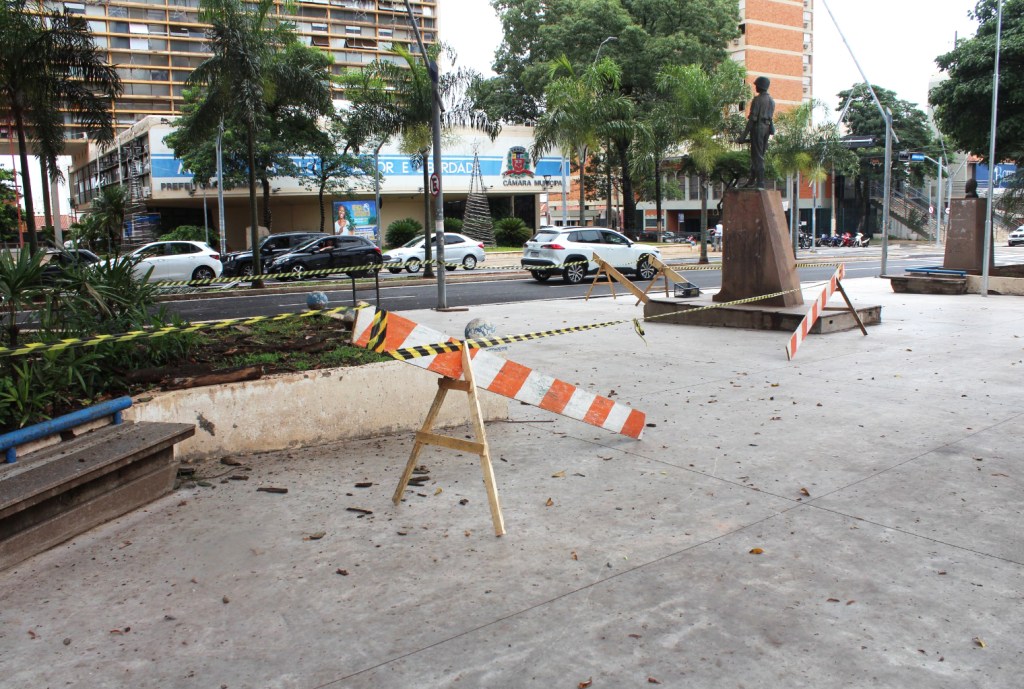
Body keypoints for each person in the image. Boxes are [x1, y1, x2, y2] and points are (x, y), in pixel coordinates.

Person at [737, 76, 775, 189]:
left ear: (761, 86)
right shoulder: (772, 101)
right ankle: (752, 180)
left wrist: (743, 136)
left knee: (757, 156)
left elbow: (752, 119)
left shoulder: (757, 100)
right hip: (767, 129)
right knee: (759, 155)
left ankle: (760, 183)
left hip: (758, 128)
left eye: (756, 85)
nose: (755, 87)